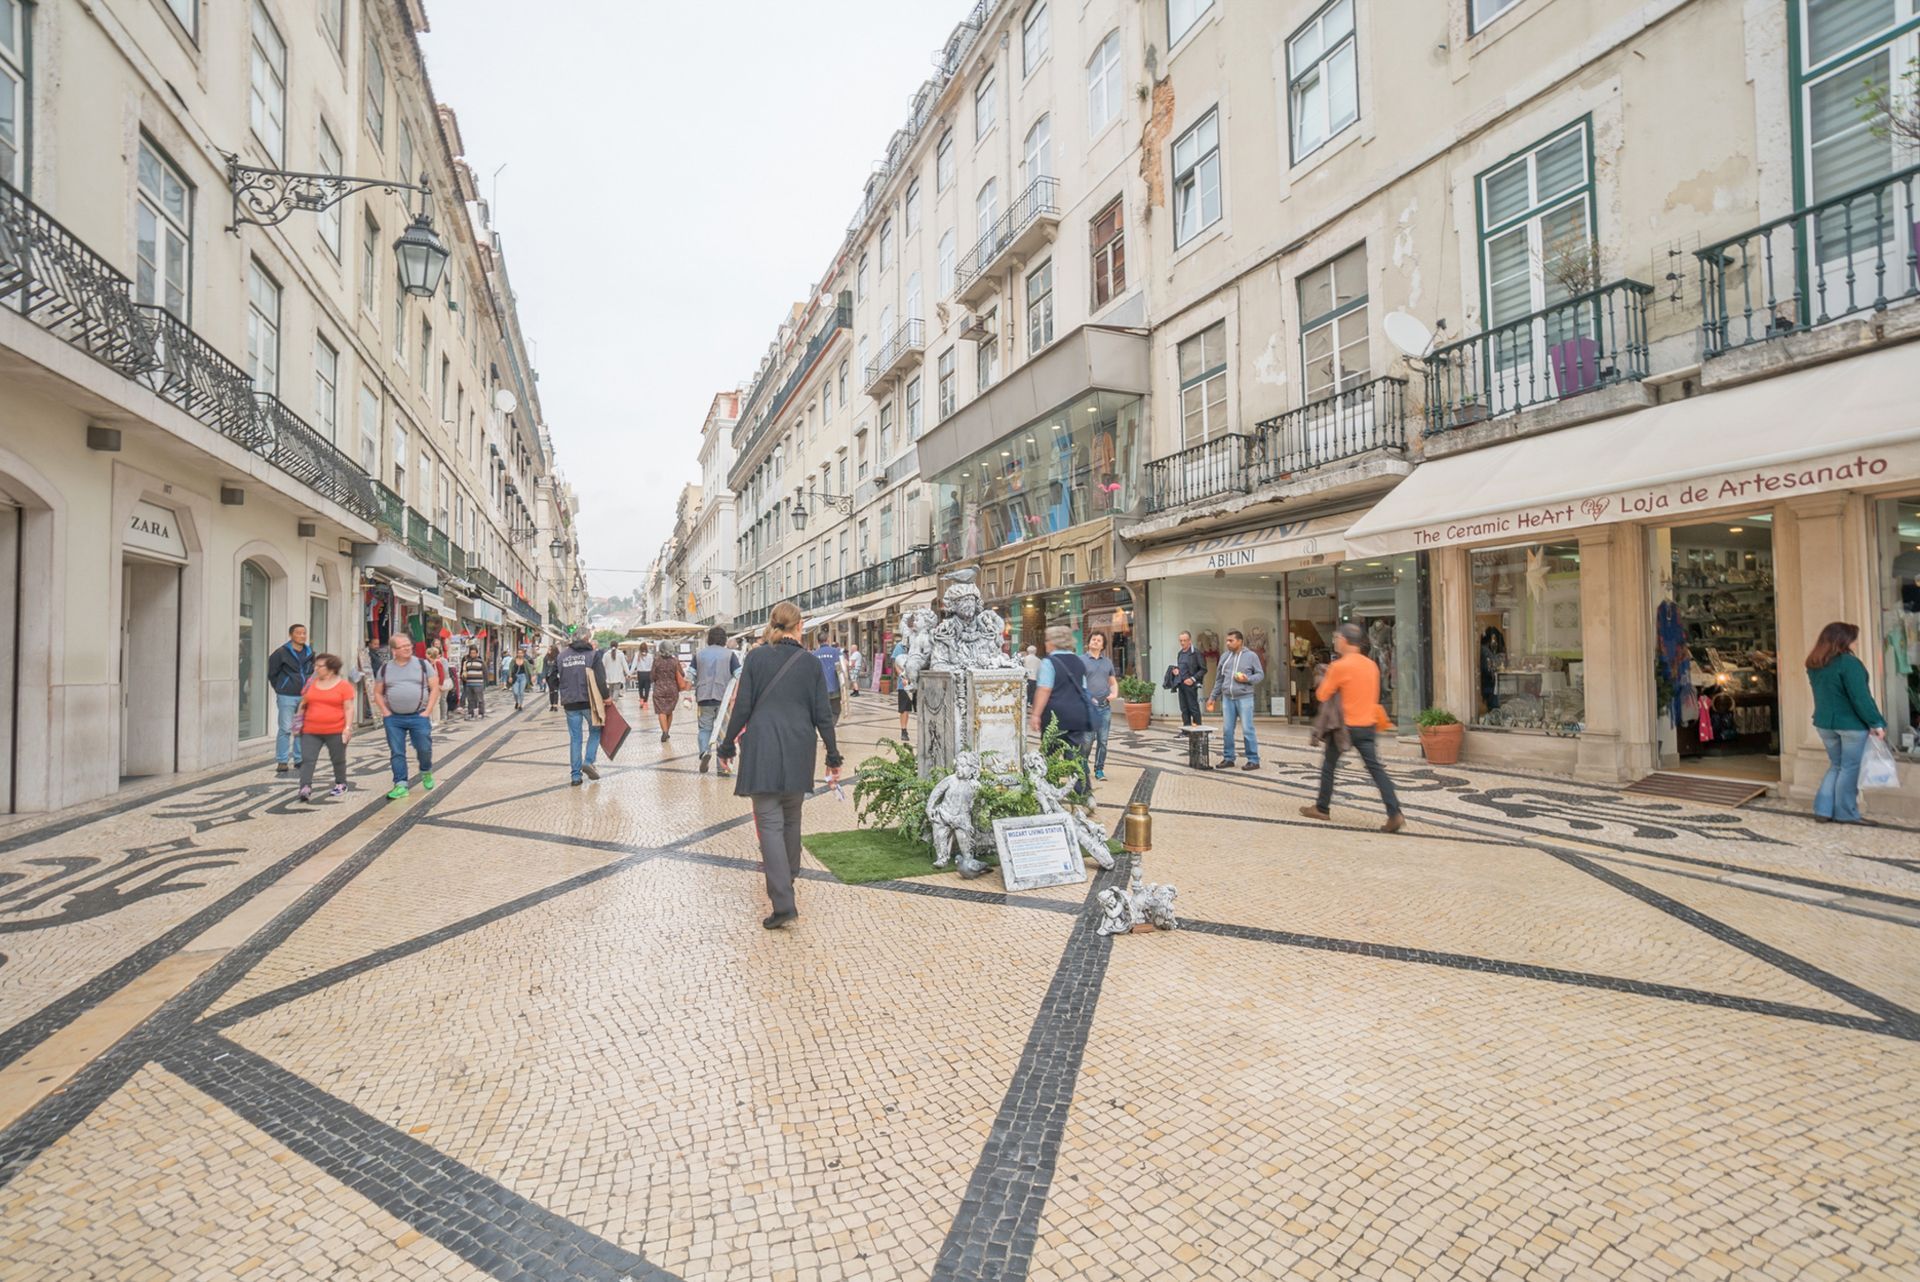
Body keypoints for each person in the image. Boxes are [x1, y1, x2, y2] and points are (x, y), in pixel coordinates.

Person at [716, 601, 843, 930]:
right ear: (799, 626)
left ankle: (784, 902)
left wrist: (727, 744)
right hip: (799, 747)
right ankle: (789, 879)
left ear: (774, 625)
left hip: (763, 748)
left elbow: (742, 706)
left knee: (770, 825)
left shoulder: (756, 658)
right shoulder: (811, 663)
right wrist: (832, 755)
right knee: (792, 820)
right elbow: (822, 714)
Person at [1299, 623, 1404, 832]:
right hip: (1367, 725)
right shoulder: (1371, 665)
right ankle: (1394, 813)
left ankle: (1322, 807)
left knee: (1329, 765)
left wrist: (1324, 677)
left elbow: (1322, 695)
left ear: (1345, 641)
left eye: (1337, 638)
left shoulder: (1340, 666)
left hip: (1344, 727)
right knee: (1376, 770)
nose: (1336, 641)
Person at [1806, 621, 1887, 825]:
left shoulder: (1815, 662)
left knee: (1837, 765)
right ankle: (1846, 813)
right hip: (1850, 724)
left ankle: (1823, 810)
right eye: (1853, 639)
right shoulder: (1849, 663)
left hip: (1824, 723)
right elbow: (1860, 697)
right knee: (1849, 768)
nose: (1856, 643)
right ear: (1844, 640)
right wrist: (1876, 722)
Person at [1028, 624, 1097, 795]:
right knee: (1077, 756)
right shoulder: (1079, 661)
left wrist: (1035, 714)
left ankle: (1049, 791)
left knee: (1050, 755)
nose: (1046, 643)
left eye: (1047, 640)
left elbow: (1044, 689)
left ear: (1053, 642)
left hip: (1055, 717)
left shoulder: (1049, 662)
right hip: (1077, 715)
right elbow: (1083, 688)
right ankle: (1085, 794)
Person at [371, 633, 438, 800]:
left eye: (409, 645)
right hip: (394, 718)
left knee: (424, 748)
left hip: (418, 716)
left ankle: (426, 770)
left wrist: (427, 711)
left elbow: (435, 688)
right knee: (397, 751)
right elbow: (377, 693)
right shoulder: (385, 668)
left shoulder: (423, 665)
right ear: (394, 650)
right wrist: (385, 712)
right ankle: (400, 784)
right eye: (403, 646)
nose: (408, 648)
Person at [294, 653, 356, 802]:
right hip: (310, 729)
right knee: (308, 758)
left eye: (319, 666)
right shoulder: (311, 682)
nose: (316, 668)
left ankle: (341, 783)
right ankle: (305, 787)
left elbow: (348, 708)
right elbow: (303, 704)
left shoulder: (343, 686)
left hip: (335, 729)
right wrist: (297, 723)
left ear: (331, 668)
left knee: (338, 759)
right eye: (315, 665)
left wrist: (347, 728)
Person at [1207, 629, 1264, 770]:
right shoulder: (1224, 657)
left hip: (1245, 698)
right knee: (1227, 730)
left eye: (1231, 641)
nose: (1227, 643)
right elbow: (1219, 679)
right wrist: (1213, 697)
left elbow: (1260, 674)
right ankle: (1228, 758)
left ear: (1240, 641)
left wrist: (1247, 679)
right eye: (1227, 640)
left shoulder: (1251, 656)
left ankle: (1253, 760)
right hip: (1227, 699)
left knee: (1247, 729)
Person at [556, 633, 609, 786]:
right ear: (587, 640)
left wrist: (561, 689)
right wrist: (606, 697)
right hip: (589, 701)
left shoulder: (562, 656)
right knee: (596, 730)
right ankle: (589, 760)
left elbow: (552, 676)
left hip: (570, 701)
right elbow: (600, 678)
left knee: (575, 738)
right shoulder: (593, 655)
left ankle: (575, 776)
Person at [693, 625, 742, 774]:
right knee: (723, 732)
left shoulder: (699, 654)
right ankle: (722, 767)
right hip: (723, 698)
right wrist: (735, 695)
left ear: (709, 639)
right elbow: (739, 675)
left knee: (705, 728)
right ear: (724, 639)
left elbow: (690, 675)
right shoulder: (730, 655)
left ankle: (704, 751)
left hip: (703, 697)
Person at [268, 624, 315, 774]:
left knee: (300, 728)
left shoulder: (310, 653)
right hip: (287, 696)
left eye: (304, 633)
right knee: (285, 728)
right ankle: (282, 760)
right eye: (298, 633)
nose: (302, 635)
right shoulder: (281, 653)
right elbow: (272, 674)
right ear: (291, 635)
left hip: (304, 696)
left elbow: (313, 672)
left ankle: (299, 759)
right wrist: (281, 688)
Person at [1081, 632, 1119, 782]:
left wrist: (1114, 694)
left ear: (1103, 645)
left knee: (1103, 741)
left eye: (1099, 640)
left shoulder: (1107, 662)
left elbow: (1113, 682)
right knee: (1087, 741)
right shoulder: (1081, 661)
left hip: (1104, 707)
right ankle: (1083, 765)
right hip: (1088, 708)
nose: (1095, 642)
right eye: (1093, 639)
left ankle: (1099, 769)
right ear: (1089, 642)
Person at [1169, 631, 1205, 731]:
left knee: (1193, 707)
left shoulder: (1195, 653)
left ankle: (1198, 730)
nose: (1182, 643)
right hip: (1181, 684)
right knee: (1184, 708)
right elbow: (1182, 668)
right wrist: (1176, 671)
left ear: (1189, 641)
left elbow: (1203, 669)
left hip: (1191, 684)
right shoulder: (1180, 653)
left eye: (1184, 640)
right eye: (1181, 640)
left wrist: (1193, 679)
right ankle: (1186, 730)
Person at [650, 643, 684, 740]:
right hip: (672, 689)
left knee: (661, 711)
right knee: (669, 711)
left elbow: (652, 677)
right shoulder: (675, 661)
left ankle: (664, 732)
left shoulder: (656, 661)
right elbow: (682, 674)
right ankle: (667, 731)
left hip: (659, 689)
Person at [814, 632, 844, 720]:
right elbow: (842, 669)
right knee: (835, 711)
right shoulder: (836, 652)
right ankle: (830, 728)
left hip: (820, 690)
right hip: (834, 689)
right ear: (828, 640)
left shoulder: (814, 654)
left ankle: (825, 728)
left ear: (818, 642)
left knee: (822, 712)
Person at [459, 643, 487, 719]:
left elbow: (485, 673)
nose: (472, 654)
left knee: (480, 699)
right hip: (469, 683)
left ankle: (481, 712)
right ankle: (470, 712)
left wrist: (484, 683)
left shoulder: (481, 662)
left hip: (478, 683)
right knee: (470, 699)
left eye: (474, 653)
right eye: (471, 653)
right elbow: (464, 672)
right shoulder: (467, 662)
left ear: (477, 653)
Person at [543, 644, 561, 712]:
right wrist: (543, 677)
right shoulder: (546, 657)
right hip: (549, 676)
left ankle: (555, 705)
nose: (548, 651)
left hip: (556, 676)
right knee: (551, 691)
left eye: (550, 649)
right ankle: (551, 704)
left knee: (556, 690)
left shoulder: (558, 657)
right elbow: (544, 667)